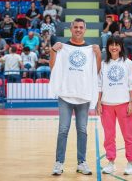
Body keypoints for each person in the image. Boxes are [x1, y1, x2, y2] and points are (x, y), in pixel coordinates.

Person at [50, 18, 101, 176]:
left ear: (85, 30)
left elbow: (96, 71)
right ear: (71, 29)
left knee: (82, 130)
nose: (78, 30)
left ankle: (82, 162)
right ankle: (59, 163)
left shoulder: (90, 49)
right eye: (76, 27)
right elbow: (53, 67)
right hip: (66, 95)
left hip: (83, 96)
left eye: (81, 27)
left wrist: (98, 54)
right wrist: (53, 51)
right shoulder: (62, 48)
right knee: (63, 130)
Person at [96, 36, 132, 175]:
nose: (114, 47)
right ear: (107, 47)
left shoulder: (128, 63)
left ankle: (130, 163)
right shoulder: (103, 64)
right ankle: (111, 162)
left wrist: (131, 102)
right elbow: (99, 85)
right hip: (107, 105)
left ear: (121, 47)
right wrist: (99, 103)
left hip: (124, 103)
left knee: (128, 135)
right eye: (111, 45)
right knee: (109, 136)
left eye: (117, 45)